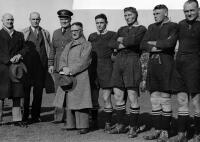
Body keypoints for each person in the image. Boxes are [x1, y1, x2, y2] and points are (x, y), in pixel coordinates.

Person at [140, 4, 178, 142]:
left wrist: (153, 44)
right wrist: (158, 45)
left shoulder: (173, 26)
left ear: (166, 13)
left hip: (166, 65)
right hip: (153, 66)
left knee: (165, 99)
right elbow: (143, 45)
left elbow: (170, 44)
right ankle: (157, 130)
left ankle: (165, 131)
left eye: (158, 13)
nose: (155, 16)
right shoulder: (151, 27)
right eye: (154, 14)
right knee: (154, 99)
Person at [109, 7, 146, 138]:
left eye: (130, 15)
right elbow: (111, 43)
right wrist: (124, 42)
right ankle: (121, 125)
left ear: (135, 15)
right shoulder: (121, 29)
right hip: (119, 61)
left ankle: (133, 127)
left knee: (132, 96)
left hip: (132, 60)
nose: (127, 17)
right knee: (118, 95)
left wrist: (121, 41)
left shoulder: (142, 29)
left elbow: (135, 41)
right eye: (125, 15)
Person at [170, 0, 200, 141]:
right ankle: (181, 134)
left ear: (198, 9)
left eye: (192, 10)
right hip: (180, 66)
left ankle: (198, 134)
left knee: (196, 102)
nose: (189, 13)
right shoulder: (180, 24)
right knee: (182, 101)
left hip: (195, 66)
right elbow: (170, 41)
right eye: (186, 11)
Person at [59, 22, 92, 134]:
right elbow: (62, 57)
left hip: (80, 76)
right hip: (69, 77)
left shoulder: (86, 44)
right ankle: (71, 124)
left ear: (81, 31)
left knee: (81, 101)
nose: (74, 33)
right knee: (70, 100)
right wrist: (64, 67)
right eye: (72, 31)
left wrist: (71, 70)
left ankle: (83, 126)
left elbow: (84, 61)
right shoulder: (69, 44)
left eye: (76, 30)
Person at [88, 14, 117, 131]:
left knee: (106, 98)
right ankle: (94, 122)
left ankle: (108, 122)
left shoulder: (112, 35)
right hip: (93, 70)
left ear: (106, 23)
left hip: (107, 69)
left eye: (101, 22)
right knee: (94, 98)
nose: (99, 25)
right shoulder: (91, 36)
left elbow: (115, 53)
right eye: (97, 23)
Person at [22, 12, 51, 123]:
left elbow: (49, 48)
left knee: (38, 93)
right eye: (33, 19)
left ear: (40, 20)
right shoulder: (24, 32)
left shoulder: (45, 33)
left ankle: (36, 115)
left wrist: (49, 64)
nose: (35, 21)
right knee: (25, 93)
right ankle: (24, 116)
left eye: (37, 19)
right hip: (27, 68)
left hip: (41, 68)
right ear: (29, 19)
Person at [0, 13, 29, 126]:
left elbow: (25, 48)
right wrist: (8, 59)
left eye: (11, 19)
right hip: (2, 69)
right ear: (2, 20)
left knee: (17, 94)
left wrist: (19, 55)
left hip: (16, 70)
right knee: (0, 95)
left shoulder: (19, 35)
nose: (10, 21)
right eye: (7, 19)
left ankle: (17, 119)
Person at [48, 9, 73, 123]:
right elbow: (52, 49)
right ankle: (58, 117)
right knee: (58, 91)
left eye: (66, 19)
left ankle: (70, 117)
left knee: (70, 91)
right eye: (62, 19)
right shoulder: (56, 32)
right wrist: (51, 64)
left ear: (70, 19)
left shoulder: (74, 31)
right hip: (58, 67)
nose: (64, 21)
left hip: (69, 66)